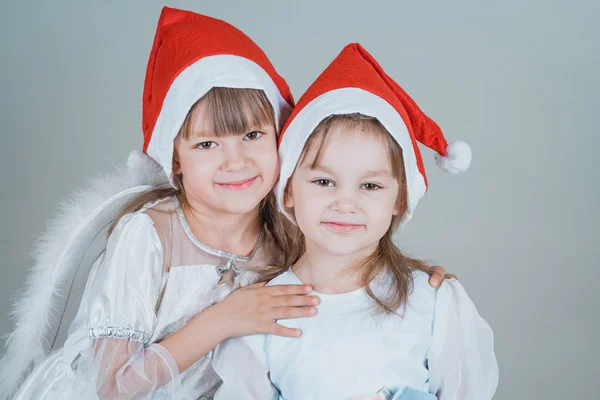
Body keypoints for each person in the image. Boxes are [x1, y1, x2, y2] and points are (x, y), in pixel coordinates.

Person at [213, 43, 498, 400]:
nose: (345, 203)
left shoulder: (433, 302)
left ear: (400, 198)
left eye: (370, 185)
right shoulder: (261, 311)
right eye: (324, 182)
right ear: (287, 191)